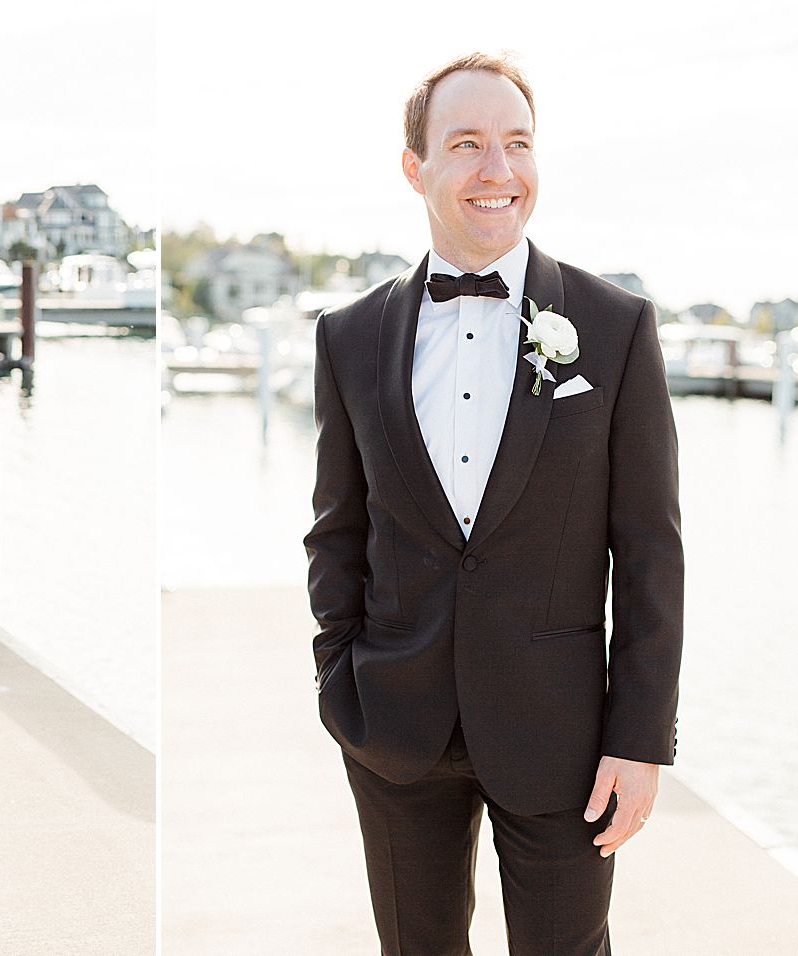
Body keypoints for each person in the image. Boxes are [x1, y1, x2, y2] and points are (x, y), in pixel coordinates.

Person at [304, 52, 682, 955]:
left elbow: (650, 549)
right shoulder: (348, 337)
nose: (497, 171)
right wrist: (339, 676)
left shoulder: (615, 327)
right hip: (394, 730)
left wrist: (641, 739)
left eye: (517, 144)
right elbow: (337, 528)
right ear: (415, 166)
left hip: (564, 739)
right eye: (467, 144)